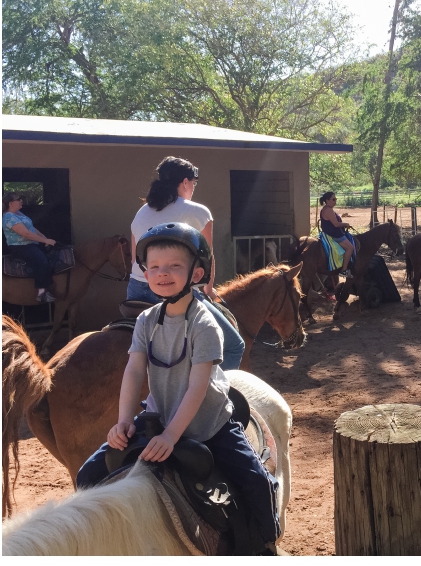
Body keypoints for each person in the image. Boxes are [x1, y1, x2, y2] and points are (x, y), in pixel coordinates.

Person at [76, 223, 280, 553]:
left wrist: (172, 436)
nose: (162, 273)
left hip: (208, 423)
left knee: (255, 481)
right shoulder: (146, 320)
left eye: (174, 266)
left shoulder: (204, 323)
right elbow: (133, 370)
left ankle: (267, 542)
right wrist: (124, 420)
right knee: (87, 475)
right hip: (157, 415)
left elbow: (199, 386)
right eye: (154, 266)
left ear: (196, 272)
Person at [127, 156, 244, 371]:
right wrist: (207, 290)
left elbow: (135, 258)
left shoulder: (140, 212)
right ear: (185, 182)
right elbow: (208, 258)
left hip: (137, 289)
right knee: (234, 346)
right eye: (193, 183)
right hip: (176, 290)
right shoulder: (198, 211)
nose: (193, 188)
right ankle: (218, 399)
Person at [2, 192, 58, 302]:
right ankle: (42, 292)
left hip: (32, 244)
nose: (21, 201)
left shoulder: (19, 214)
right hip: (21, 247)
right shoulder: (9, 217)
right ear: (11, 203)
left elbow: (32, 229)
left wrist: (44, 239)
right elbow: (25, 234)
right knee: (41, 261)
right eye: (19, 199)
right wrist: (45, 240)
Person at [319, 191, 354, 278]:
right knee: (350, 248)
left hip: (329, 233)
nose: (335, 201)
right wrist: (346, 224)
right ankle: (344, 270)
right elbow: (336, 224)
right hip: (335, 235)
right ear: (327, 200)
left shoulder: (325, 209)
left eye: (336, 199)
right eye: (333, 199)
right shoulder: (329, 210)